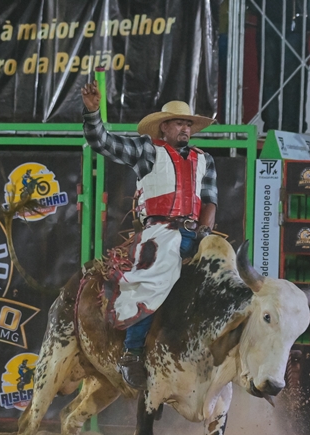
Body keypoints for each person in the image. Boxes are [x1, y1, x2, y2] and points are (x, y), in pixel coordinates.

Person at [81, 81, 217, 390]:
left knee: (225, 274)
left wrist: (205, 234)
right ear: (164, 127)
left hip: (196, 233)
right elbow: (102, 142)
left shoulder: (205, 160)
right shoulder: (146, 150)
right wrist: (92, 113)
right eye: (179, 123)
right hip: (158, 233)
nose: (185, 128)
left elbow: (210, 201)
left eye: (188, 123)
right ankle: (133, 350)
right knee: (157, 278)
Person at [258, 0, 310, 133]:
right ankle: (272, 125)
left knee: (292, 78)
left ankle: (290, 126)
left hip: (295, 20)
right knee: (269, 77)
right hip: (268, 17)